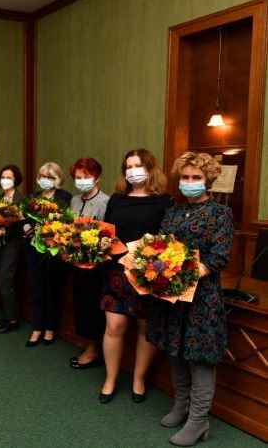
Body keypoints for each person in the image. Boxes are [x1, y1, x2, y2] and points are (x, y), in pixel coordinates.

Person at [147, 152, 233, 446]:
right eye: (185, 177)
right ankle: (181, 404)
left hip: (202, 297)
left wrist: (183, 274)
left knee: (199, 358)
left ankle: (198, 421)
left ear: (208, 181)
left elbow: (218, 257)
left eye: (196, 177)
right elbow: (158, 246)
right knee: (175, 351)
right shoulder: (172, 211)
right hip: (172, 296)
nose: (189, 182)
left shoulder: (220, 213)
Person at [99, 149, 172, 404]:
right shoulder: (117, 199)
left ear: (150, 168)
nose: (132, 171)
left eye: (138, 165)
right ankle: (110, 379)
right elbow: (107, 232)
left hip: (148, 273)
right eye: (128, 167)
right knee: (114, 327)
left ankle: (138, 380)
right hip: (116, 272)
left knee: (145, 328)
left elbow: (169, 239)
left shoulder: (164, 201)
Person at [22, 162, 72, 345]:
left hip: (53, 252)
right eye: (43, 176)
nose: (45, 180)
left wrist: (52, 229)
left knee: (52, 290)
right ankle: (37, 328)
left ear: (57, 178)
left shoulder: (65, 197)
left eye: (50, 177)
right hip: (34, 249)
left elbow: (68, 222)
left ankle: (50, 328)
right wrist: (26, 226)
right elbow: (25, 218)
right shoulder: (34, 197)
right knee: (36, 290)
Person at [68, 158, 110, 369]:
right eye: (78, 177)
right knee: (80, 304)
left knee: (92, 306)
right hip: (76, 263)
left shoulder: (105, 202)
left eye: (87, 177)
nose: (82, 181)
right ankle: (88, 344)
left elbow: (107, 235)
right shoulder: (74, 201)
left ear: (97, 178)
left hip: (95, 266)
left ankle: (94, 350)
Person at [0, 165, 26, 334]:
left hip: (14, 244)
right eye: (3, 177)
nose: (5, 180)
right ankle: (7, 314)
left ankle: (13, 320)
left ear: (16, 180)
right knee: (0, 279)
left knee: (5, 279)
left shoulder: (21, 199)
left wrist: (5, 231)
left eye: (9, 177)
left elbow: (22, 225)